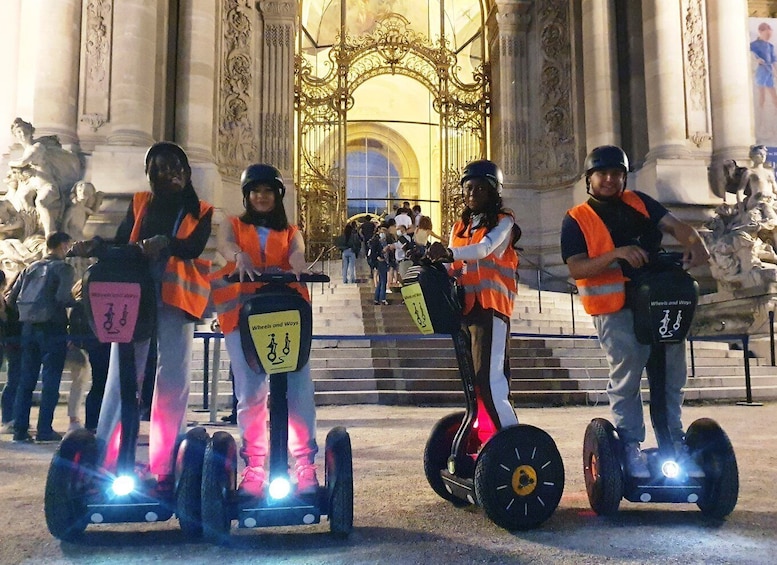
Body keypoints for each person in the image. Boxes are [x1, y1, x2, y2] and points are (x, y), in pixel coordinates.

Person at [71, 141, 213, 495]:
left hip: (175, 299)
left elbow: (193, 247)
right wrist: (96, 245)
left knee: (173, 376)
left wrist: (164, 242)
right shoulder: (139, 204)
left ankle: (165, 462)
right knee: (123, 375)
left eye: (175, 166)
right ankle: (107, 455)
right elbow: (123, 242)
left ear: (187, 171)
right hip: (133, 293)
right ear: (149, 174)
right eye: (160, 168)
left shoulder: (203, 210)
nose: (168, 173)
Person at [560, 145, 709, 478]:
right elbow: (577, 268)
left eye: (617, 173)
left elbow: (677, 226)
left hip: (657, 299)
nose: (611, 179)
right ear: (590, 178)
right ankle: (630, 446)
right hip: (615, 306)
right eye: (603, 173)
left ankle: (674, 442)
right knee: (627, 376)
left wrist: (695, 241)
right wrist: (618, 253)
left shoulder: (640, 202)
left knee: (672, 373)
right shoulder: (576, 219)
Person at [212, 163, 319, 498]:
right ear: (247, 195)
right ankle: (256, 465)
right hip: (241, 319)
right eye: (255, 191)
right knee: (251, 392)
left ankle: (304, 463)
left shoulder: (290, 230)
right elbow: (224, 245)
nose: (261, 197)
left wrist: (299, 263)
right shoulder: (232, 224)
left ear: (277, 195)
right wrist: (239, 256)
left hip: (284, 314)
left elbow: (298, 251)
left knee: (299, 390)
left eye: (268, 191)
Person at [427, 159, 522, 445]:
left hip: (491, 307)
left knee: (489, 379)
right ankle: (484, 436)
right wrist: (429, 259)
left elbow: (483, 249)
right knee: (473, 381)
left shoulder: (504, 221)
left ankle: (510, 441)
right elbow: (452, 265)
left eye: (480, 188)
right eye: (468, 188)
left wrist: (448, 254)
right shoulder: (460, 226)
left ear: (494, 191)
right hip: (465, 309)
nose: (472, 193)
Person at [7, 231, 76, 442]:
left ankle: (20, 429)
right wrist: (78, 302)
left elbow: (11, 299)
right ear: (63, 245)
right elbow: (63, 298)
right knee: (50, 380)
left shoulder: (30, 268)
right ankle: (44, 428)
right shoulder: (64, 269)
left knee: (26, 380)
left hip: (28, 328)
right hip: (52, 328)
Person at [0, 269, 22, 434]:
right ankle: (8, 418)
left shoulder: (5, 299)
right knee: (14, 380)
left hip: (8, 343)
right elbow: (6, 321)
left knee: (14, 380)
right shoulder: (5, 301)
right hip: (10, 343)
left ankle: (9, 417)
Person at [751, 22, 777, 112]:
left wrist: (776, 72)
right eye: (767, 34)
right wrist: (756, 60)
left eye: (770, 35)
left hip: (769, 71)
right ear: (760, 32)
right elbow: (750, 55)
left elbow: (774, 60)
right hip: (760, 71)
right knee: (761, 94)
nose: (768, 37)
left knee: (773, 93)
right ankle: (760, 111)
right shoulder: (754, 44)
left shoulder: (770, 46)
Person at [368, 222, 390, 305]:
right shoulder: (376, 240)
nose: (383, 233)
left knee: (381, 281)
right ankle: (382, 298)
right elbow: (374, 252)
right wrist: (379, 256)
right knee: (383, 280)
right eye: (382, 231)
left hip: (384, 261)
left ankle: (376, 299)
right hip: (381, 262)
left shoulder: (385, 240)